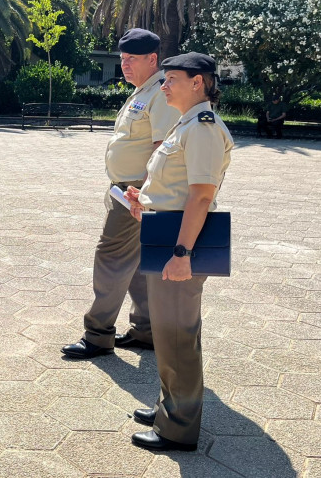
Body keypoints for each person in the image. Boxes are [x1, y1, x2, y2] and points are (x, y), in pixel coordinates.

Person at [123, 52, 234, 452]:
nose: (164, 86)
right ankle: (168, 406)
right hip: (167, 235)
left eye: (172, 79)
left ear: (198, 82)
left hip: (179, 244)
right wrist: (144, 200)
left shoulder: (202, 128)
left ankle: (178, 428)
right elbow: (174, 188)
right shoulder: (185, 123)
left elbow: (201, 195)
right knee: (169, 334)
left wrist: (183, 253)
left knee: (178, 337)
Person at [61, 28, 179, 359]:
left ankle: (98, 334)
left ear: (152, 59)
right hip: (126, 190)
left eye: (132, 59)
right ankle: (147, 330)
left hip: (135, 192)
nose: (124, 64)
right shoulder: (144, 91)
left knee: (110, 257)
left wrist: (142, 194)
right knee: (137, 264)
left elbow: (161, 149)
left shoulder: (160, 93)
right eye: (123, 58)